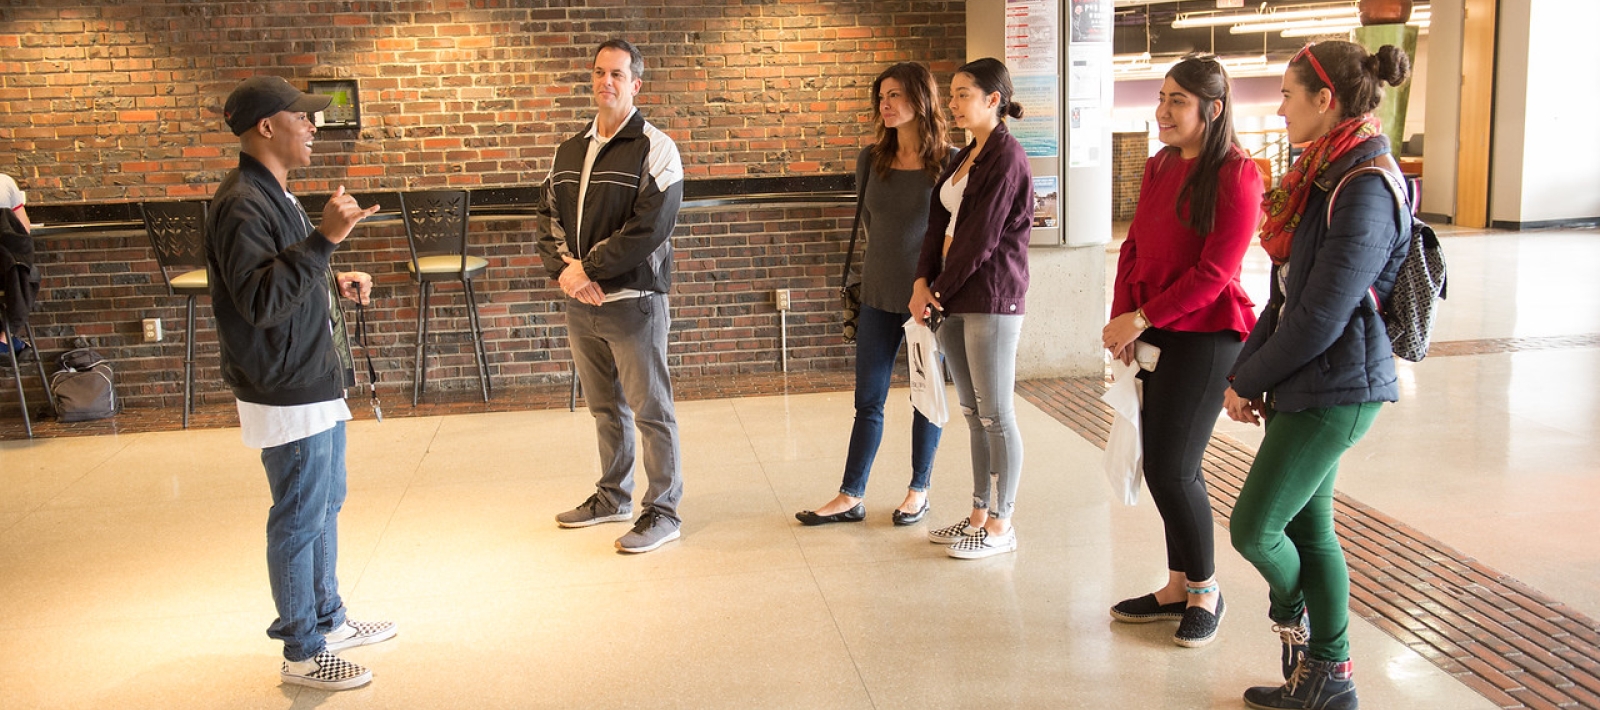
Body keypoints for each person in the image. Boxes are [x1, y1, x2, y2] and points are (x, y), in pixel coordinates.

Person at [1224, 41, 1412, 710]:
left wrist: (1248, 383)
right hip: (1313, 381)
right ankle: (1330, 678)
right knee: (1308, 530)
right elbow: (1286, 297)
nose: (1279, 110)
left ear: (1324, 99)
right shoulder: (1327, 176)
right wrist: (1246, 370)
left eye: (1286, 95)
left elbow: (1321, 319)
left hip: (1338, 387)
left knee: (1254, 529)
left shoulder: (1362, 187)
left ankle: (1303, 631)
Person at [206, 75, 394, 692]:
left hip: (311, 376)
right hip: (285, 386)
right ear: (267, 127)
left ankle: (327, 618)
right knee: (298, 515)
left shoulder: (273, 193)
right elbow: (258, 301)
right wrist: (324, 241)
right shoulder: (241, 202)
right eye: (303, 117)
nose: (313, 127)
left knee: (324, 503)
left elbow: (279, 280)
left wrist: (330, 278)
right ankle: (303, 652)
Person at [1102, 55, 1262, 648]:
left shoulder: (1237, 175)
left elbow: (1215, 273)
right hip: (1155, 329)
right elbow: (1134, 247)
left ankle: (1206, 591)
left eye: (1176, 101)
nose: (1161, 111)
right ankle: (1176, 586)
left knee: (1175, 468)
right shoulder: (1158, 165)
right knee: (1161, 467)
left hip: (1209, 333)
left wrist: (1141, 317)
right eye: (1162, 97)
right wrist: (1126, 319)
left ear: (1211, 110)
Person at [537, 39, 687, 554]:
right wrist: (567, 274)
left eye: (618, 74)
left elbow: (651, 228)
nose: (607, 82)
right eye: (600, 73)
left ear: (635, 83)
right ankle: (612, 497)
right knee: (605, 409)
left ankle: (664, 510)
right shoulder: (568, 149)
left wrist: (589, 268)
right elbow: (547, 217)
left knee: (651, 411)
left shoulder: (656, 147)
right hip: (581, 304)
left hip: (634, 303)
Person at [795, 62, 954, 527]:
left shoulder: (950, 161)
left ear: (921, 100)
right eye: (881, 97)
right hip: (877, 296)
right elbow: (872, 227)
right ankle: (851, 494)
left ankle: (918, 489)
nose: (885, 105)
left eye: (895, 96)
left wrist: (931, 285)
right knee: (868, 399)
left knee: (925, 397)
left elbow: (955, 234)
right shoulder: (872, 159)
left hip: (927, 301)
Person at [908, 57, 1032, 559]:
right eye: (953, 94)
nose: (953, 103)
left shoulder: (1006, 157)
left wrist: (935, 289)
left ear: (993, 99)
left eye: (963, 94)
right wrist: (923, 282)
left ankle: (1003, 524)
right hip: (953, 295)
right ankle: (980, 512)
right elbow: (936, 224)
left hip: (991, 297)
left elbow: (980, 240)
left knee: (997, 413)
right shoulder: (966, 156)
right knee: (972, 411)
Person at [1, 172, 36, 358]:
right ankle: (5, 338)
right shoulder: (5, 182)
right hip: (6, 273)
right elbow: (24, 230)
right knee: (26, 273)